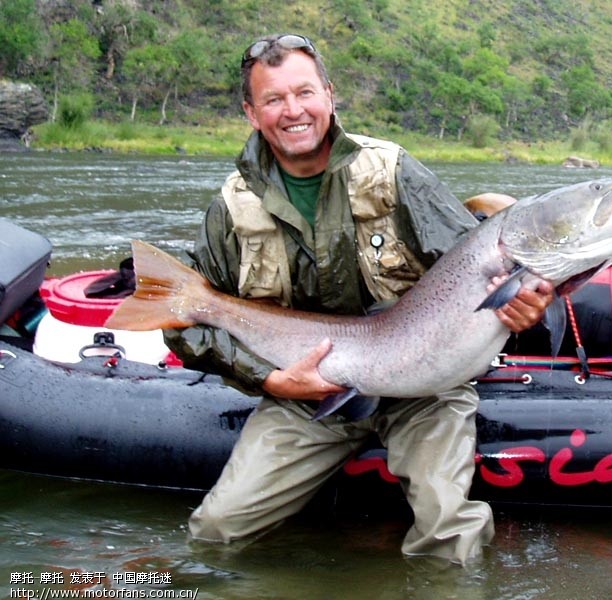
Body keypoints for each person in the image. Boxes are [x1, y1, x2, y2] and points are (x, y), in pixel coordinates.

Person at [164, 33, 554, 565]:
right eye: (274, 100)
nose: (293, 110)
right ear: (251, 113)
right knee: (215, 529)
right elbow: (184, 322)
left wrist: (526, 311)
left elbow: (475, 268)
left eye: (304, 93)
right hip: (305, 399)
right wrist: (270, 379)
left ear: (329, 94)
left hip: (425, 389)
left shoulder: (393, 172)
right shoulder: (232, 209)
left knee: (449, 536)